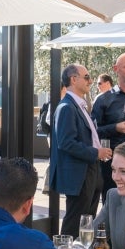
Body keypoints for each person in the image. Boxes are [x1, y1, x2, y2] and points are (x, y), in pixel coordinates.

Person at [47, 64, 111, 238]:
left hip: (91, 170)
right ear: (73, 79)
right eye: (87, 77)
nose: (90, 81)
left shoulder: (79, 106)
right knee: (75, 221)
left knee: (86, 221)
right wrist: (96, 153)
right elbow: (66, 143)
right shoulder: (66, 107)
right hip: (79, 174)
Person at [91, 52, 125, 202]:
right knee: (112, 204)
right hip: (111, 163)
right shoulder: (104, 99)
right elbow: (92, 133)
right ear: (116, 69)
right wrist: (114, 128)